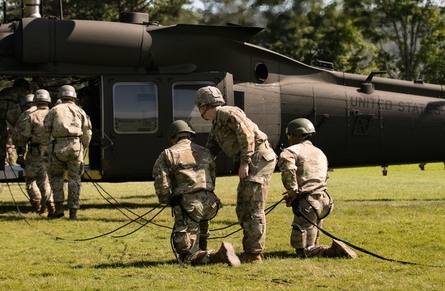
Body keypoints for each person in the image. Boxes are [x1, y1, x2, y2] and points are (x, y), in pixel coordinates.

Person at [195, 85, 276, 263]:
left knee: (252, 207)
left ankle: (253, 254)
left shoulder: (226, 113)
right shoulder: (217, 124)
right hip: (252, 161)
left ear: (203, 107)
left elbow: (246, 134)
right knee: (242, 207)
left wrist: (245, 162)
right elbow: (210, 151)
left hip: (257, 159)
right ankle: (250, 250)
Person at [152, 120, 240, 266]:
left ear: (173, 137)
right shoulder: (205, 152)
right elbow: (212, 176)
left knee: (187, 256)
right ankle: (205, 253)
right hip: (209, 202)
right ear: (190, 136)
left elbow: (162, 182)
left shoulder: (168, 153)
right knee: (201, 237)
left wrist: (167, 199)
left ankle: (219, 255)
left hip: (188, 206)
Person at [279, 118, 356, 259]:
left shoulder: (290, 152)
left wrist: (292, 193)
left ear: (296, 135)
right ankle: (320, 246)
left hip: (307, 203)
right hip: (324, 201)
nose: (289, 139)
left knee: (303, 252)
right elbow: (324, 176)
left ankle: (332, 251)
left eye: (290, 135)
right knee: (313, 234)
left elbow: (288, 174)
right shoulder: (320, 152)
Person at [44, 85, 92, 220]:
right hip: (75, 146)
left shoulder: (54, 110)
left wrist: (46, 147)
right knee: (75, 179)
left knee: (56, 178)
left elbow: (45, 130)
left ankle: (58, 207)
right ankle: (73, 213)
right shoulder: (80, 111)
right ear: (74, 96)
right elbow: (87, 131)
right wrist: (84, 145)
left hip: (58, 147)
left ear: (60, 96)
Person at [13, 89, 55, 217]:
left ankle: (40, 204)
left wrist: (20, 152)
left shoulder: (30, 115)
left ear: (35, 100)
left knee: (32, 179)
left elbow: (23, 135)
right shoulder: (54, 113)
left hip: (36, 151)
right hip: (53, 151)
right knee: (49, 179)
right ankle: (50, 204)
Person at [0, 78, 31, 169]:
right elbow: (23, 106)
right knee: (20, 133)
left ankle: (1, 161)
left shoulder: (5, 90)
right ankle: (20, 156)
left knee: (2, 136)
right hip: (11, 108)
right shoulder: (21, 91)